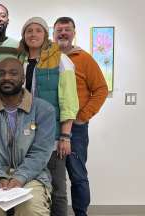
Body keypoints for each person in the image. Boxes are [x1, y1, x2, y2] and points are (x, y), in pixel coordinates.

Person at [0, 58, 56, 216]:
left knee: (31, 208)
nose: (6, 77)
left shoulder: (44, 110)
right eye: (1, 73)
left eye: (13, 73)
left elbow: (41, 152)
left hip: (32, 174)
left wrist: (20, 177)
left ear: (23, 79)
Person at [18, 17, 79, 216]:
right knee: (27, 186)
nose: (33, 34)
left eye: (38, 30)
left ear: (46, 34)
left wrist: (65, 136)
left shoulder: (61, 60)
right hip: (24, 136)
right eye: (29, 31)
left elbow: (69, 101)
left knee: (58, 188)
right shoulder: (20, 61)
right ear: (24, 36)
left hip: (52, 136)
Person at [53, 17, 108, 216]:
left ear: (74, 33)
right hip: (51, 126)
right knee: (52, 175)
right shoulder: (48, 57)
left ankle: (80, 213)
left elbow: (101, 89)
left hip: (76, 128)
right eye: (59, 30)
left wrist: (83, 115)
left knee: (77, 175)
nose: (63, 33)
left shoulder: (84, 58)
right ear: (53, 33)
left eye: (67, 29)